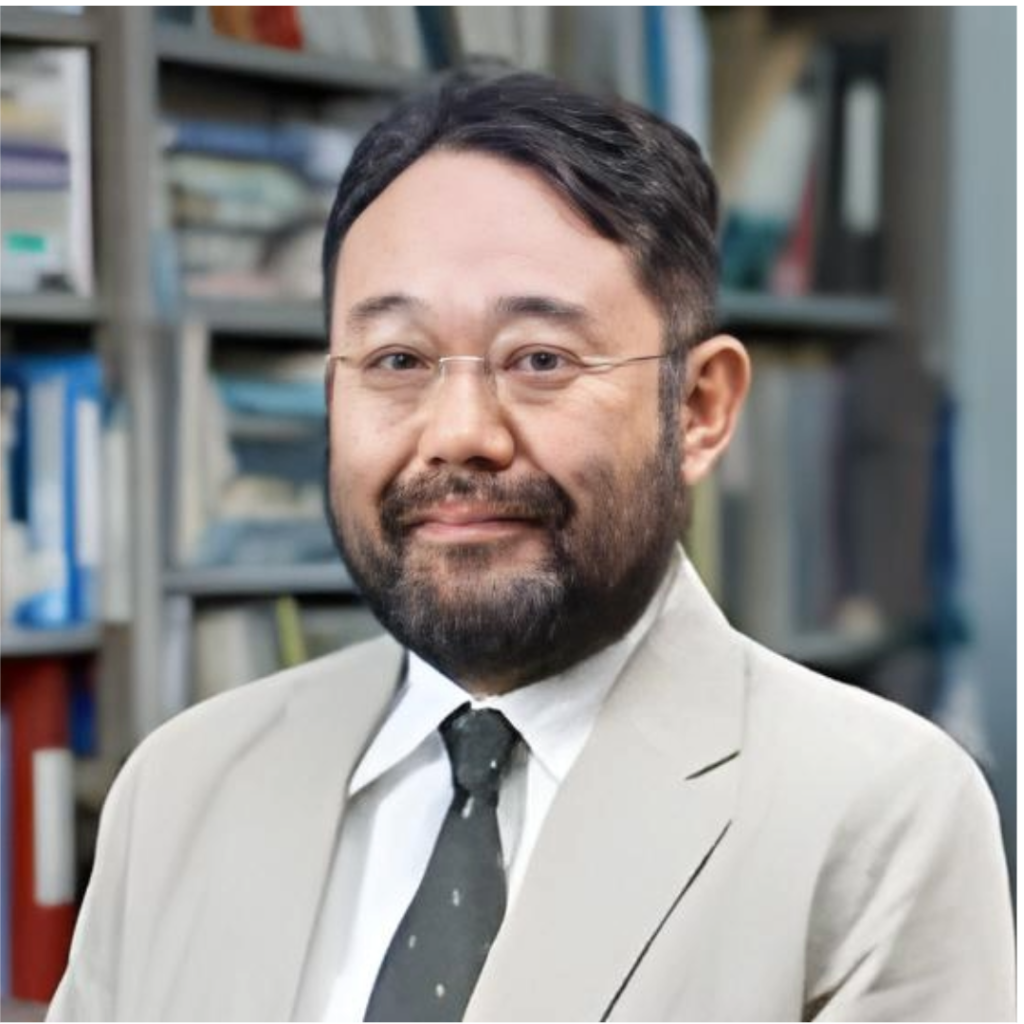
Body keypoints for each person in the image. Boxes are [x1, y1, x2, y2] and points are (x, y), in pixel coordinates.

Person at [49, 69, 1013, 1023]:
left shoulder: (879, 814)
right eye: (397, 360)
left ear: (700, 409)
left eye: (541, 360)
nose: (459, 433)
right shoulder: (180, 786)